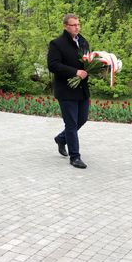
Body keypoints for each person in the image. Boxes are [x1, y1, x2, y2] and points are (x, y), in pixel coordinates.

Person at [47, 14, 90, 169]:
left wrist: (99, 68)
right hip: (66, 90)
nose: (77, 27)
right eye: (73, 25)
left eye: (78, 24)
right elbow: (53, 65)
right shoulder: (57, 44)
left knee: (82, 119)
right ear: (66, 26)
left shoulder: (83, 42)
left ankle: (61, 138)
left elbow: (88, 62)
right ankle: (75, 157)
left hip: (82, 88)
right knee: (71, 123)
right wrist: (75, 72)